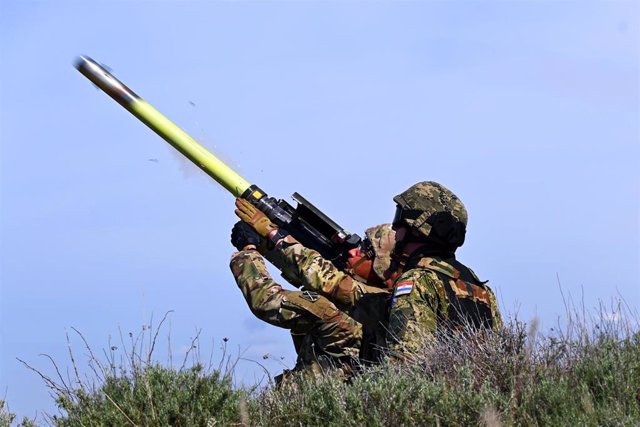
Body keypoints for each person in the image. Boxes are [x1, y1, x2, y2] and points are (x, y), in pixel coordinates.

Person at [230, 198, 398, 375]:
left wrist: (248, 249)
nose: (354, 251)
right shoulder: (382, 310)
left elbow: (266, 300)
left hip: (308, 400)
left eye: (366, 250)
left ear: (382, 269)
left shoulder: (337, 311)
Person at [386, 181, 502, 357]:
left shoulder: (419, 281)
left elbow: (406, 361)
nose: (394, 226)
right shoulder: (484, 292)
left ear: (417, 228)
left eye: (399, 217)